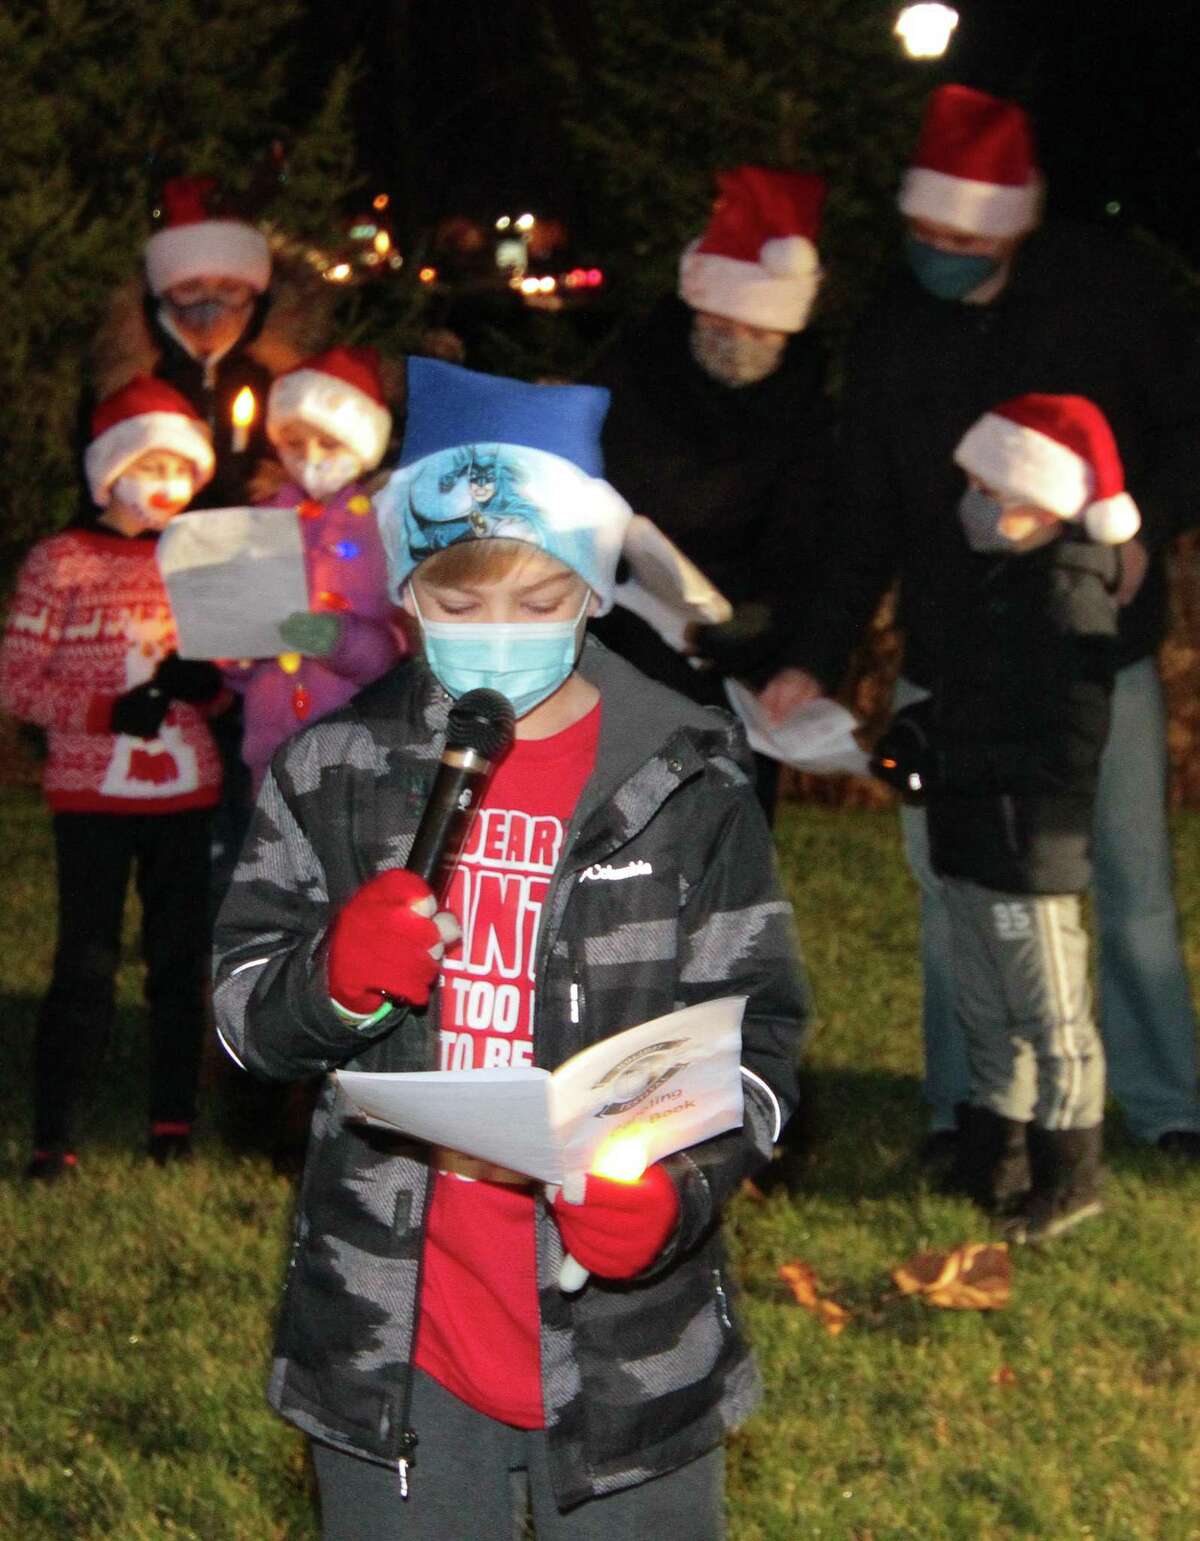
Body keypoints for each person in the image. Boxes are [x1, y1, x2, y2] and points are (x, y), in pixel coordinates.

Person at [212, 358, 808, 1539]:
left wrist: (679, 1191)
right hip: (397, 1339)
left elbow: (763, 1042)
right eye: (457, 601)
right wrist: (327, 980)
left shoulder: (686, 779)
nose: (496, 638)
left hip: (630, 1354)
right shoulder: (333, 771)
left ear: (593, 592)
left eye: (538, 604)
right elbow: (240, 1015)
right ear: (405, 592)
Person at [797, 83, 1200, 1157]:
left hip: (1089, 649)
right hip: (952, 656)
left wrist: (1143, 526)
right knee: (956, 888)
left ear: (1012, 225)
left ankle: (1167, 1104)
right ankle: (965, 1102)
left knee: (1127, 881)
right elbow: (861, 516)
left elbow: (1188, 428)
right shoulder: (892, 331)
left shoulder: (1108, 292)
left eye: (962, 236)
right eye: (922, 231)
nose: (940, 251)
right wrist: (813, 659)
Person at [872, 393, 1138, 1242]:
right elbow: (972, 697)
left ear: (1039, 499)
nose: (971, 502)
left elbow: (1064, 742)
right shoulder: (1000, 580)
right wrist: (918, 733)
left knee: (1052, 1018)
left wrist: (954, 761)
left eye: (988, 485)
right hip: (974, 838)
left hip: (1029, 848)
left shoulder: (1066, 595)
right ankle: (996, 1149)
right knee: (986, 1004)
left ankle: (1070, 1173)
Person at [0, 378, 227, 1177]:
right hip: (91, 793)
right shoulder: (59, 562)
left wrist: (213, 687)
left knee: (177, 957)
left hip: (184, 790)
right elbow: (17, 681)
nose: (166, 485)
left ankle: (171, 1118)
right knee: (86, 957)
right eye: (150, 465)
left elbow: (230, 669)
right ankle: (54, 1128)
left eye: (180, 469)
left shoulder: (199, 557)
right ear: (109, 472)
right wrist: (102, 712)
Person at [589, 164, 835, 821]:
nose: (741, 346)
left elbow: (815, 538)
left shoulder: (809, 402)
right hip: (624, 629)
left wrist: (773, 629)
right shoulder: (638, 368)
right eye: (725, 328)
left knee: (725, 824)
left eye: (761, 334)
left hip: (741, 648)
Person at [225, 345, 404, 791]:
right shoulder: (264, 520)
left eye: (328, 442)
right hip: (270, 746)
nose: (310, 456)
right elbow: (237, 658)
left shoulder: (383, 523)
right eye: (294, 442)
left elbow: (400, 648)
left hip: (352, 746)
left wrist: (336, 641)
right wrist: (232, 647)